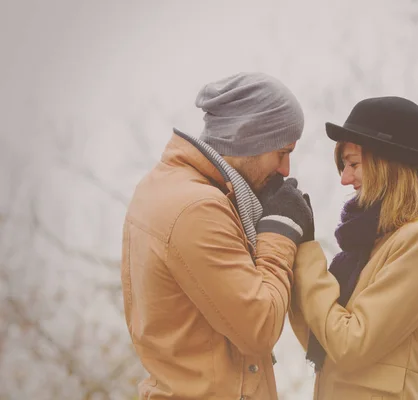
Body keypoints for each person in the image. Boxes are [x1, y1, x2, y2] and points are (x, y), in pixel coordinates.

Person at [120, 72, 314, 400]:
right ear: (249, 140)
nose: (286, 169)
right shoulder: (198, 209)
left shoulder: (166, 185)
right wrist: (280, 231)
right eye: (282, 152)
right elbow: (260, 327)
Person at [289, 96, 418, 399]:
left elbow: (349, 344)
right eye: (344, 165)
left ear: (389, 164)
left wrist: (306, 252)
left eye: (353, 164)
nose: (345, 178)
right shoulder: (372, 242)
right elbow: (322, 339)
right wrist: (286, 251)